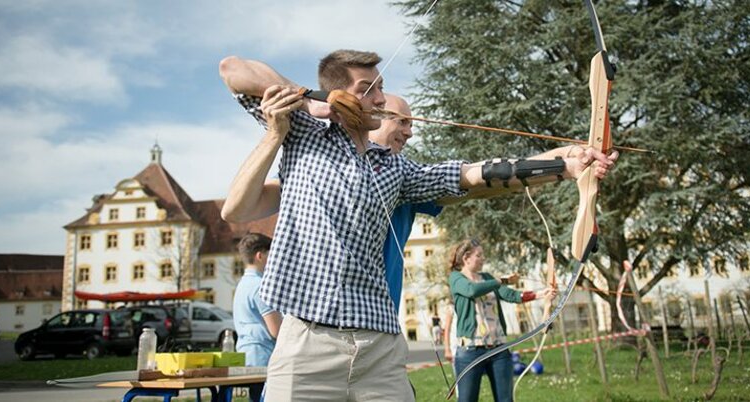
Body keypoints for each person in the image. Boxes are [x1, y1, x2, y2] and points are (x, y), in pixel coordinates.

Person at [218, 50, 617, 401]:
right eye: (367, 88)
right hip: (309, 340)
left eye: (381, 88)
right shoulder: (305, 135)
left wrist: (564, 165)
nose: (378, 98)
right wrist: (310, 101)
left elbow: (474, 176)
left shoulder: (396, 170)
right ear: (340, 94)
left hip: (379, 344)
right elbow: (232, 68)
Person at [370, 94, 616, 313]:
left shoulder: (406, 179)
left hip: (382, 321)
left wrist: (566, 162)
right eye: (401, 121)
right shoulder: (338, 168)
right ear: (370, 117)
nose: (410, 132)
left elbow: (478, 181)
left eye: (411, 124)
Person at [447, 238, 556, 402]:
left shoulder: (487, 278)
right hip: (470, 351)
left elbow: (510, 295)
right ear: (466, 258)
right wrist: (500, 280)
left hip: (498, 348)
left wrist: (541, 294)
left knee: (505, 399)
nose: (483, 258)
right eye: (479, 255)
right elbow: (471, 290)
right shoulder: (456, 278)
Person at [232, 233, 282, 402]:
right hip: (264, 356)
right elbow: (277, 330)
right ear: (260, 256)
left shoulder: (242, 284)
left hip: (247, 354)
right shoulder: (261, 287)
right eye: (271, 254)